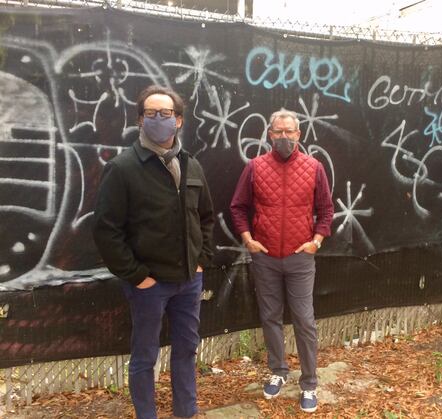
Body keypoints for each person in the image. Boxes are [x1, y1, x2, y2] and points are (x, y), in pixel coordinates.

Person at [93, 85, 214, 419]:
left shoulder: (192, 165)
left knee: (186, 350)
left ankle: (185, 412)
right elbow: (106, 230)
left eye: (166, 114)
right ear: (140, 120)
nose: (159, 119)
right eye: (151, 114)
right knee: (145, 356)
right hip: (149, 285)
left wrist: (201, 261)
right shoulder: (123, 168)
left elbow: (205, 218)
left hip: (189, 281)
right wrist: (137, 276)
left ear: (179, 121)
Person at [230, 109, 334, 413]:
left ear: (299, 135)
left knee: (304, 319)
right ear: (269, 134)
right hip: (265, 258)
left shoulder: (314, 168)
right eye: (278, 132)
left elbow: (326, 210)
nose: (284, 137)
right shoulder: (255, 167)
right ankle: (277, 370)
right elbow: (238, 207)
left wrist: (316, 241)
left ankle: (310, 383)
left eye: (290, 132)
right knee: (270, 316)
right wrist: (248, 239)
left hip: (300, 258)